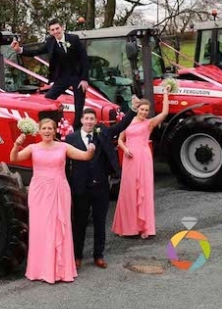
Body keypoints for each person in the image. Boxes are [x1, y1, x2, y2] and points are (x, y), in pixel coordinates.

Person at [10, 119, 94, 283]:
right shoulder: (33, 148)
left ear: (55, 131)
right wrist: (16, 145)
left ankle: (60, 269)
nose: (47, 131)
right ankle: (40, 269)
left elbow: (85, 156)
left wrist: (91, 148)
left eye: (50, 128)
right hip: (39, 191)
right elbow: (14, 159)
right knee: (40, 229)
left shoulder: (63, 147)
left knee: (57, 227)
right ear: (40, 131)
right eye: (44, 128)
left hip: (58, 190)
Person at [65, 97, 139, 270]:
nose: (89, 121)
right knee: (79, 223)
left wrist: (132, 110)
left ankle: (98, 255)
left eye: (92, 119)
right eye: (87, 119)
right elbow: (65, 163)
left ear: (96, 121)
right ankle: (77, 257)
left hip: (101, 187)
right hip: (80, 187)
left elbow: (121, 127)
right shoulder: (70, 138)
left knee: (100, 222)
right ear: (82, 120)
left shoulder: (102, 133)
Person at [11, 19, 89, 129]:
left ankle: (77, 130)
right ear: (50, 32)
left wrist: (84, 79)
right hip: (62, 77)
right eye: (53, 30)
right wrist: (19, 49)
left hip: (78, 76)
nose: (56, 32)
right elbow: (36, 51)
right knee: (48, 98)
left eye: (57, 28)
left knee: (79, 105)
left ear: (62, 28)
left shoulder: (74, 39)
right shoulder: (50, 42)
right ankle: (52, 125)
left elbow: (84, 59)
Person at [112, 88, 169, 239]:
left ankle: (144, 227)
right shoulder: (127, 121)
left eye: (146, 110)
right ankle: (127, 227)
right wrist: (125, 149)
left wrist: (165, 94)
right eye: (142, 109)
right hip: (130, 157)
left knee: (144, 190)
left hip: (143, 157)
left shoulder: (149, 123)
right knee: (128, 190)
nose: (144, 112)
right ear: (137, 109)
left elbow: (164, 114)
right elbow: (120, 139)